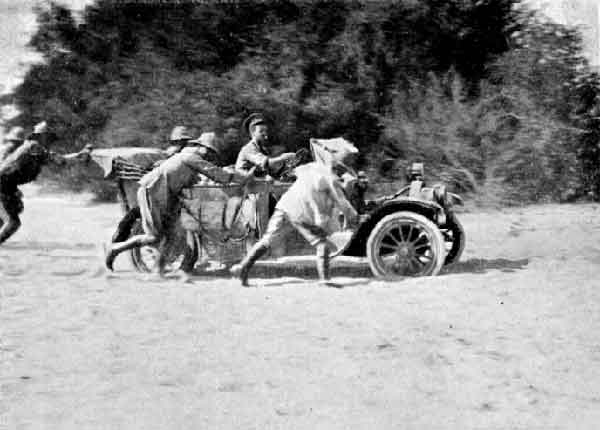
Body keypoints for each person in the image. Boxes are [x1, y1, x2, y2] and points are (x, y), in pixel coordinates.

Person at [104, 132, 252, 276]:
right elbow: (219, 176)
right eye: (209, 151)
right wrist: (242, 176)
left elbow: (201, 178)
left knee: (170, 235)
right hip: (152, 193)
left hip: (163, 196)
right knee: (153, 237)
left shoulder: (187, 159)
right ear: (201, 147)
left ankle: (158, 270)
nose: (209, 155)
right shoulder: (190, 157)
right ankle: (115, 249)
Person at [230, 137, 360, 287]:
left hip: (285, 206)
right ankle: (324, 279)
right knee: (321, 244)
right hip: (300, 212)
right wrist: (354, 215)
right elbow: (342, 202)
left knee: (268, 239)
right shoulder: (329, 177)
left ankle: (243, 267)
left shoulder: (311, 168)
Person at [0, 121, 91, 246]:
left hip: (7, 186)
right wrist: (79, 155)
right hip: (3, 186)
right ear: (40, 137)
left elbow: (59, 159)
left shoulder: (35, 149)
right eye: (48, 137)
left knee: (12, 214)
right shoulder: (34, 147)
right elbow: (59, 159)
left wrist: (78, 155)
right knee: (12, 222)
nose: (50, 141)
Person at [235, 113, 296, 178]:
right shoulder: (248, 148)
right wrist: (283, 158)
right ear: (253, 133)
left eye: (266, 132)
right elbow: (265, 163)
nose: (266, 136)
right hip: (242, 182)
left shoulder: (263, 149)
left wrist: (287, 164)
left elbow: (271, 167)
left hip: (254, 181)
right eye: (262, 132)